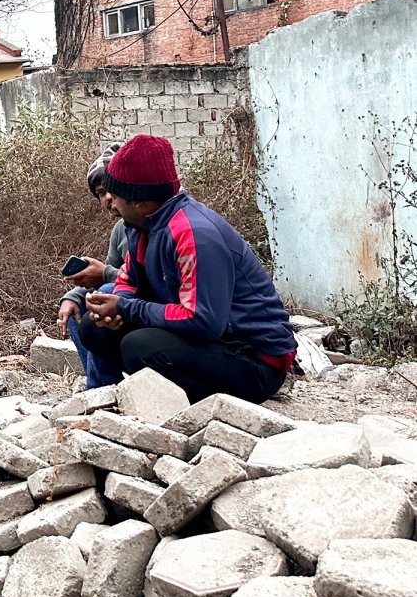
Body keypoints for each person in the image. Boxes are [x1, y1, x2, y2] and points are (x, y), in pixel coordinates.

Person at [76, 134, 296, 404]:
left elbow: (203, 321)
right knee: (94, 328)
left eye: (117, 196)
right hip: (212, 342)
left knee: (139, 347)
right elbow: (128, 281)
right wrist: (117, 309)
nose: (113, 204)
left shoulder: (194, 233)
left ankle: (193, 408)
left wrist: (126, 308)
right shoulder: (140, 227)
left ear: (139, 202)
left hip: (255, 358)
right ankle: (116, 399)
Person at [58, 146, 127, 388]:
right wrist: (70, 296)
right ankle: (102, 387)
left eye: (112, 188)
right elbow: (113, 272)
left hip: (150, 309)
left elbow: (146, 279)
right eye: (101, 193)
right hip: (127, 304)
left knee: (104, 292)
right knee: (77, 306)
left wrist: (105, 275)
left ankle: (97, 392)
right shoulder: (121, 230)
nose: (108, 198)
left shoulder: (153, 224)